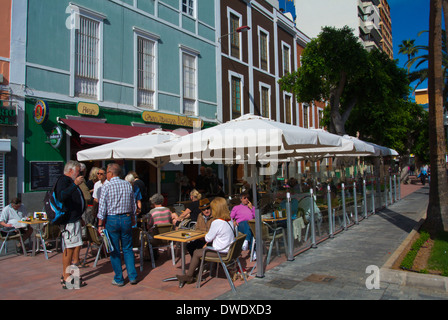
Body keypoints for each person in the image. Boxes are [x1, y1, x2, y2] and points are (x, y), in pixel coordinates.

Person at [176, 197, 235, 287]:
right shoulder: (229, 219)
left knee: (196, 252)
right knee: (193, 247)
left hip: (220, 252)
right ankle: (196, 271)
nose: (208, 210)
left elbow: (208, 238)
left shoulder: (217, 222)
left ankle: (189, 276)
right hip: (229, 250)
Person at [97, 163, 138, 286]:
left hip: (112, 219)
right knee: (127, 248)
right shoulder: (127, 185)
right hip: (126, 218)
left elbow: (102, 207)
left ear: (110, 173)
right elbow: (133, 203)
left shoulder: (106, 186)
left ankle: (119, 278)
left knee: (114, 249)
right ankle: (132, 276)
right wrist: (133, 217)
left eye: (106, 173)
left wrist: (100, 224)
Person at [54, 160, 87, 289]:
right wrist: (75, 184)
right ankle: (67, 277)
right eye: (78, 171)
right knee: (69, 248)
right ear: (71, 170)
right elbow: (62, 196)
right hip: (69, 222)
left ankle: (67, 275)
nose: (80, 174)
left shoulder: (69, 181)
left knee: (72, 247)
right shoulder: (64, 180)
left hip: (74, 219)